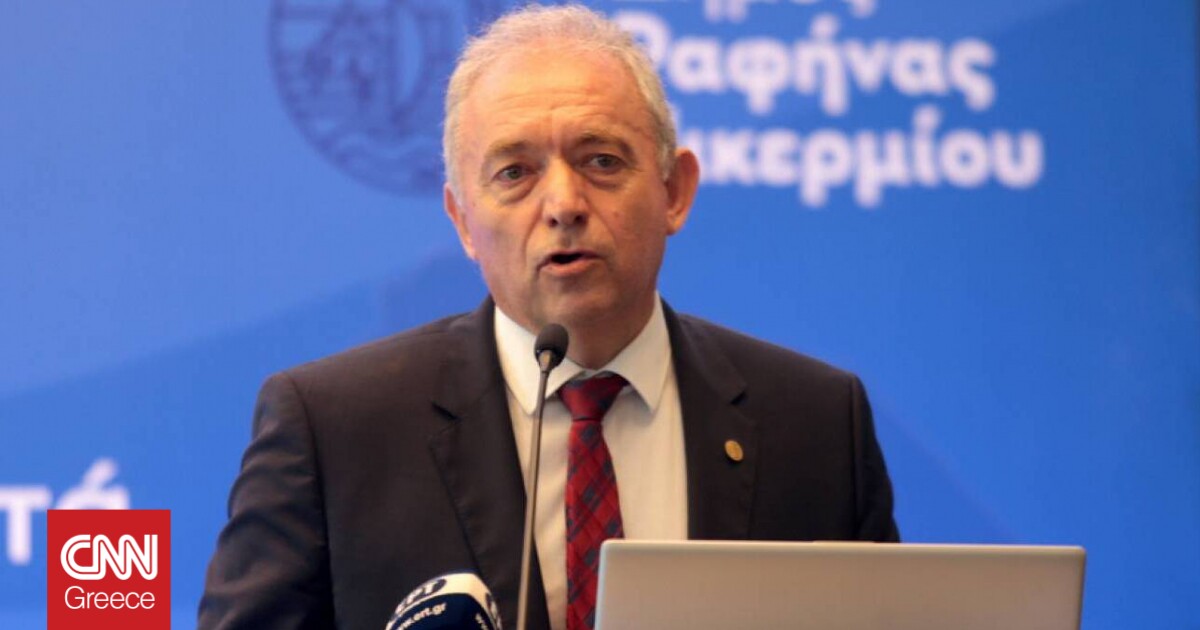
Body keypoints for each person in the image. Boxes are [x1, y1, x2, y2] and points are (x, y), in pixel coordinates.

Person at [198, 5, 898, 630]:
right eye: (515, 173)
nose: (563, 204)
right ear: (462, 221)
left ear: (674, 192)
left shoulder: (815, 422)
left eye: (602, 161)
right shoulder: (332, 429)